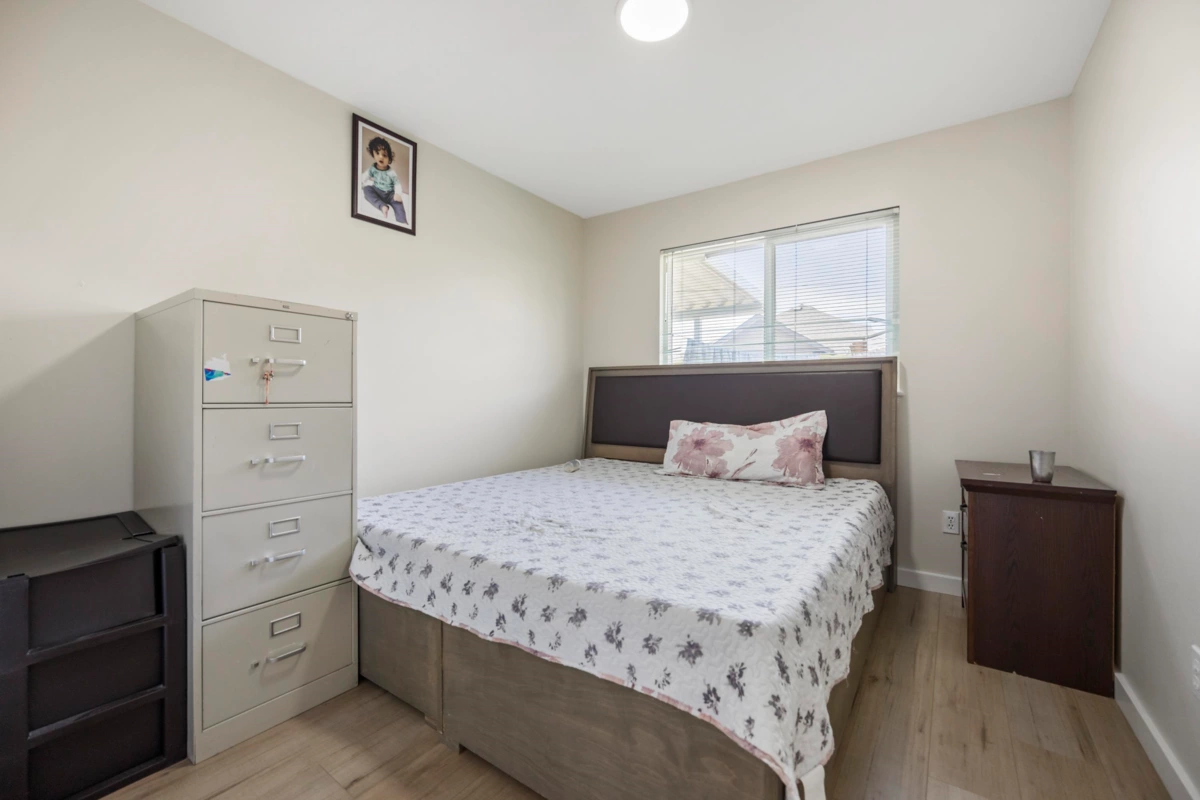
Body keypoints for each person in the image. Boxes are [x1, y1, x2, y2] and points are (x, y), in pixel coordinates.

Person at [360, 136, 407, 224]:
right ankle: (382, 206)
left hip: (389, 194)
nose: (381, 157)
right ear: (373, 154)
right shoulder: (372, 169)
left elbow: (397, 184)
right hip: (377, 190)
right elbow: (364, 176)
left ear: (389, 159)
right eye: (377, 153)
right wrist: (360, 182)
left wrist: (397, 194)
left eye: (384, 155)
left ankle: (402, 222)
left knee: (398, 203)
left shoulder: (391, 172)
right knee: (366, 189)